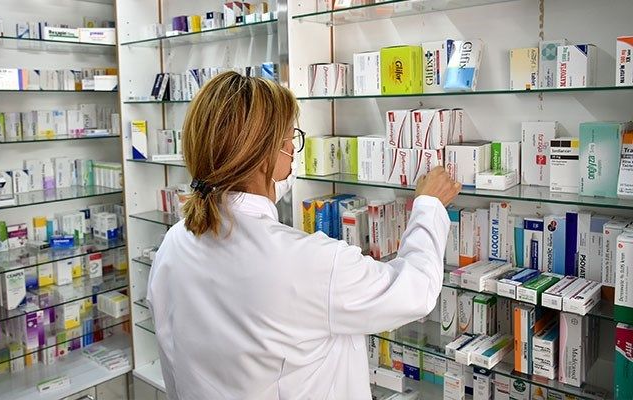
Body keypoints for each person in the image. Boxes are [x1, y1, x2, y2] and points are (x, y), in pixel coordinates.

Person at [146, 71, 462, 400]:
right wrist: (429, 205)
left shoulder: (174, 243)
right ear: (264, 156)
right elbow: (416, 290)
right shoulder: (309, 263)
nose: (292, 149)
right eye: (289, 139)